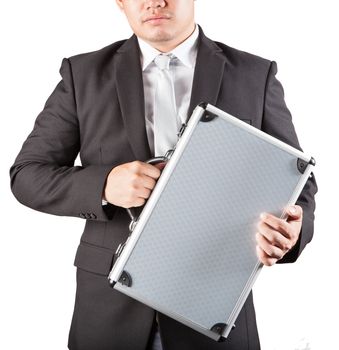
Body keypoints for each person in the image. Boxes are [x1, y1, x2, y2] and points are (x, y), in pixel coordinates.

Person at [10, 0, 317, 349]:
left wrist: (293, 230)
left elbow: (297, 177)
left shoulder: (254, 74)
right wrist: (105, 185)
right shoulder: (82, 74)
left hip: (215, 308)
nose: (155, 1)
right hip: (108, 316)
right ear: (120, 3)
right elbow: (27, 175)